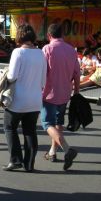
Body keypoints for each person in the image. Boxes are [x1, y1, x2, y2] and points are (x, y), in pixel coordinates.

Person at [3, 24, 46, 172]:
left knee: (10, 127)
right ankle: (29, 163)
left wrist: (6, 74)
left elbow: (12, 76)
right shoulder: (41, 53)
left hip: (18, 99)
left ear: (20, 36)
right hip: (35, 99)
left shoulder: (18, 52)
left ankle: (15, 159)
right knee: (30, 130)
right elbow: (43, 81)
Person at [41, 23, 80, 170]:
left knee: (47, 123)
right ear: (62, 35)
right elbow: (77, 73)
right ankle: (52, 151)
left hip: (49, 93)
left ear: (49, 36)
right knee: (58, 122)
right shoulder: (71, 50)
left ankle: (67, 148)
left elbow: (43, 73)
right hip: (65, 93)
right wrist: (76, 92)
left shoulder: (47, 49)